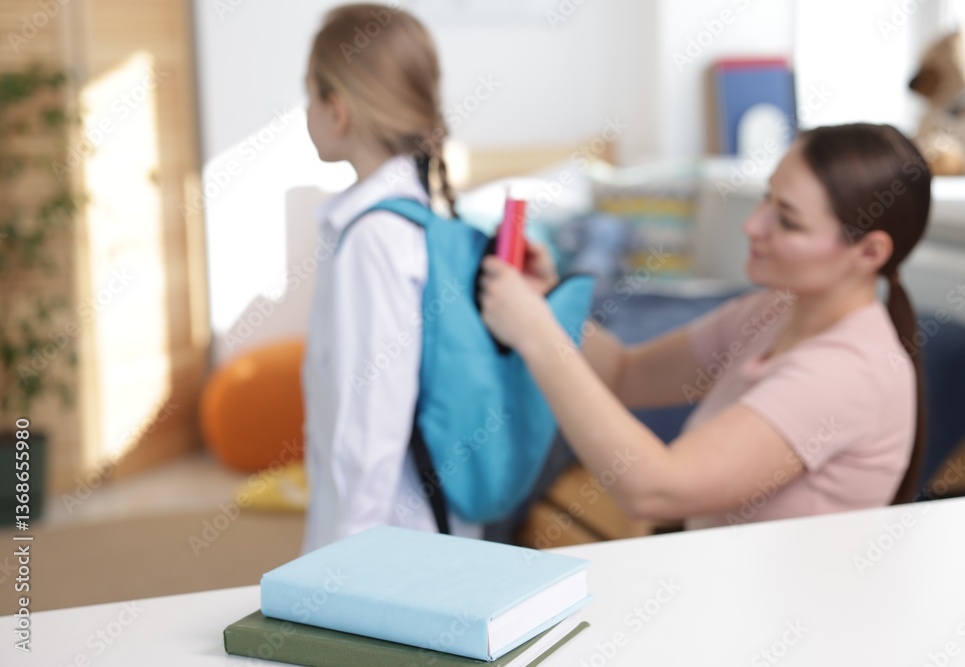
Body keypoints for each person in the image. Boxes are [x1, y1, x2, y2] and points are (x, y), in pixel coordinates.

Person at [478, 123, 930, 529]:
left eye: (787, 221)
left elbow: (655, 489)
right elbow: (625, 373)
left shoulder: (846, 373)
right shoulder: (771, 312)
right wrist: (552, 300)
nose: (753, 225)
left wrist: (536, 334)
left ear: (869, 253)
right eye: (766, 198)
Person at [299, 3, 476, 552]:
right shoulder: (403, 218)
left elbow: (369, 422)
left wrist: (343, 557)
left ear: (338, 110)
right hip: (412, 528)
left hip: (387, 540)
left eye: (309, 95)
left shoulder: (373, 237)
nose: (305, 111)